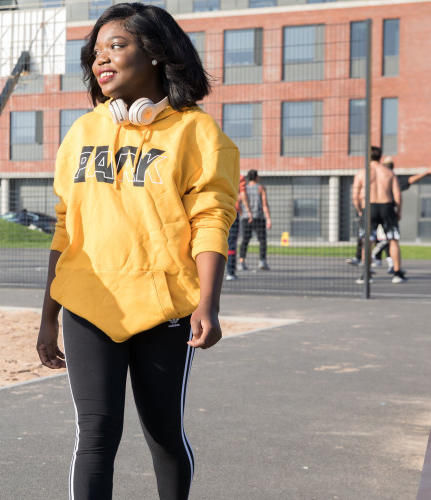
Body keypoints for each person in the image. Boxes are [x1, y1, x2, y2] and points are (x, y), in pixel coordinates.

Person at [35, 4, 238, 499]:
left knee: (163, 434)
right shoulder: (81, 132)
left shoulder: (198, 133)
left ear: (155, 52)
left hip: (163, 308)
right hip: (87, 304)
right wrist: (48, 316)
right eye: (96, 51)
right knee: (96, 437)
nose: (101, 59)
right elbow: (66, 229)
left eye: (117, 46)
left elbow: (210, 221)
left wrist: (207, 305)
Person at [366, 157, 431, 266]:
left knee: (376, 237)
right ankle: (385, 262)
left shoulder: (373, 176)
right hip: (387, 210)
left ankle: (375, 261)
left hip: (374, 210)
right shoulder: (391, 177)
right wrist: (399, 211)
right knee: (390, 238)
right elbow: (401, 191)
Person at [351, 146, 406, 283]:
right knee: (393, 240)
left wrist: (359, 209)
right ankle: (397, 274)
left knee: (367, 241)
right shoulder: (388, 173)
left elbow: (355, 196)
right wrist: (398, 211)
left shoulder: (362, 173)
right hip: (386, 206)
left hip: (369, 207)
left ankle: (366, 275)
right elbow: (397, 194)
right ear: (380, 156)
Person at [237, 169, 271, 271]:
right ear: (257, 177)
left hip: (246, 218)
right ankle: (262, 262)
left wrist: (243, 213)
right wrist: (269, 218)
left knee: (245, 240)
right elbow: (264, 204)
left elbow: (238, 201)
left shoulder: (244, 188)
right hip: (258, 217)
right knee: (262, 240)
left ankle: (241, 262)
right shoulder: (261, 187)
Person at [225, 174, 244, 281]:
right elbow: (243, 195)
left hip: (219, 210)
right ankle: (230, 271)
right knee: (232, 242)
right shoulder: (239, 177)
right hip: (233, 212)